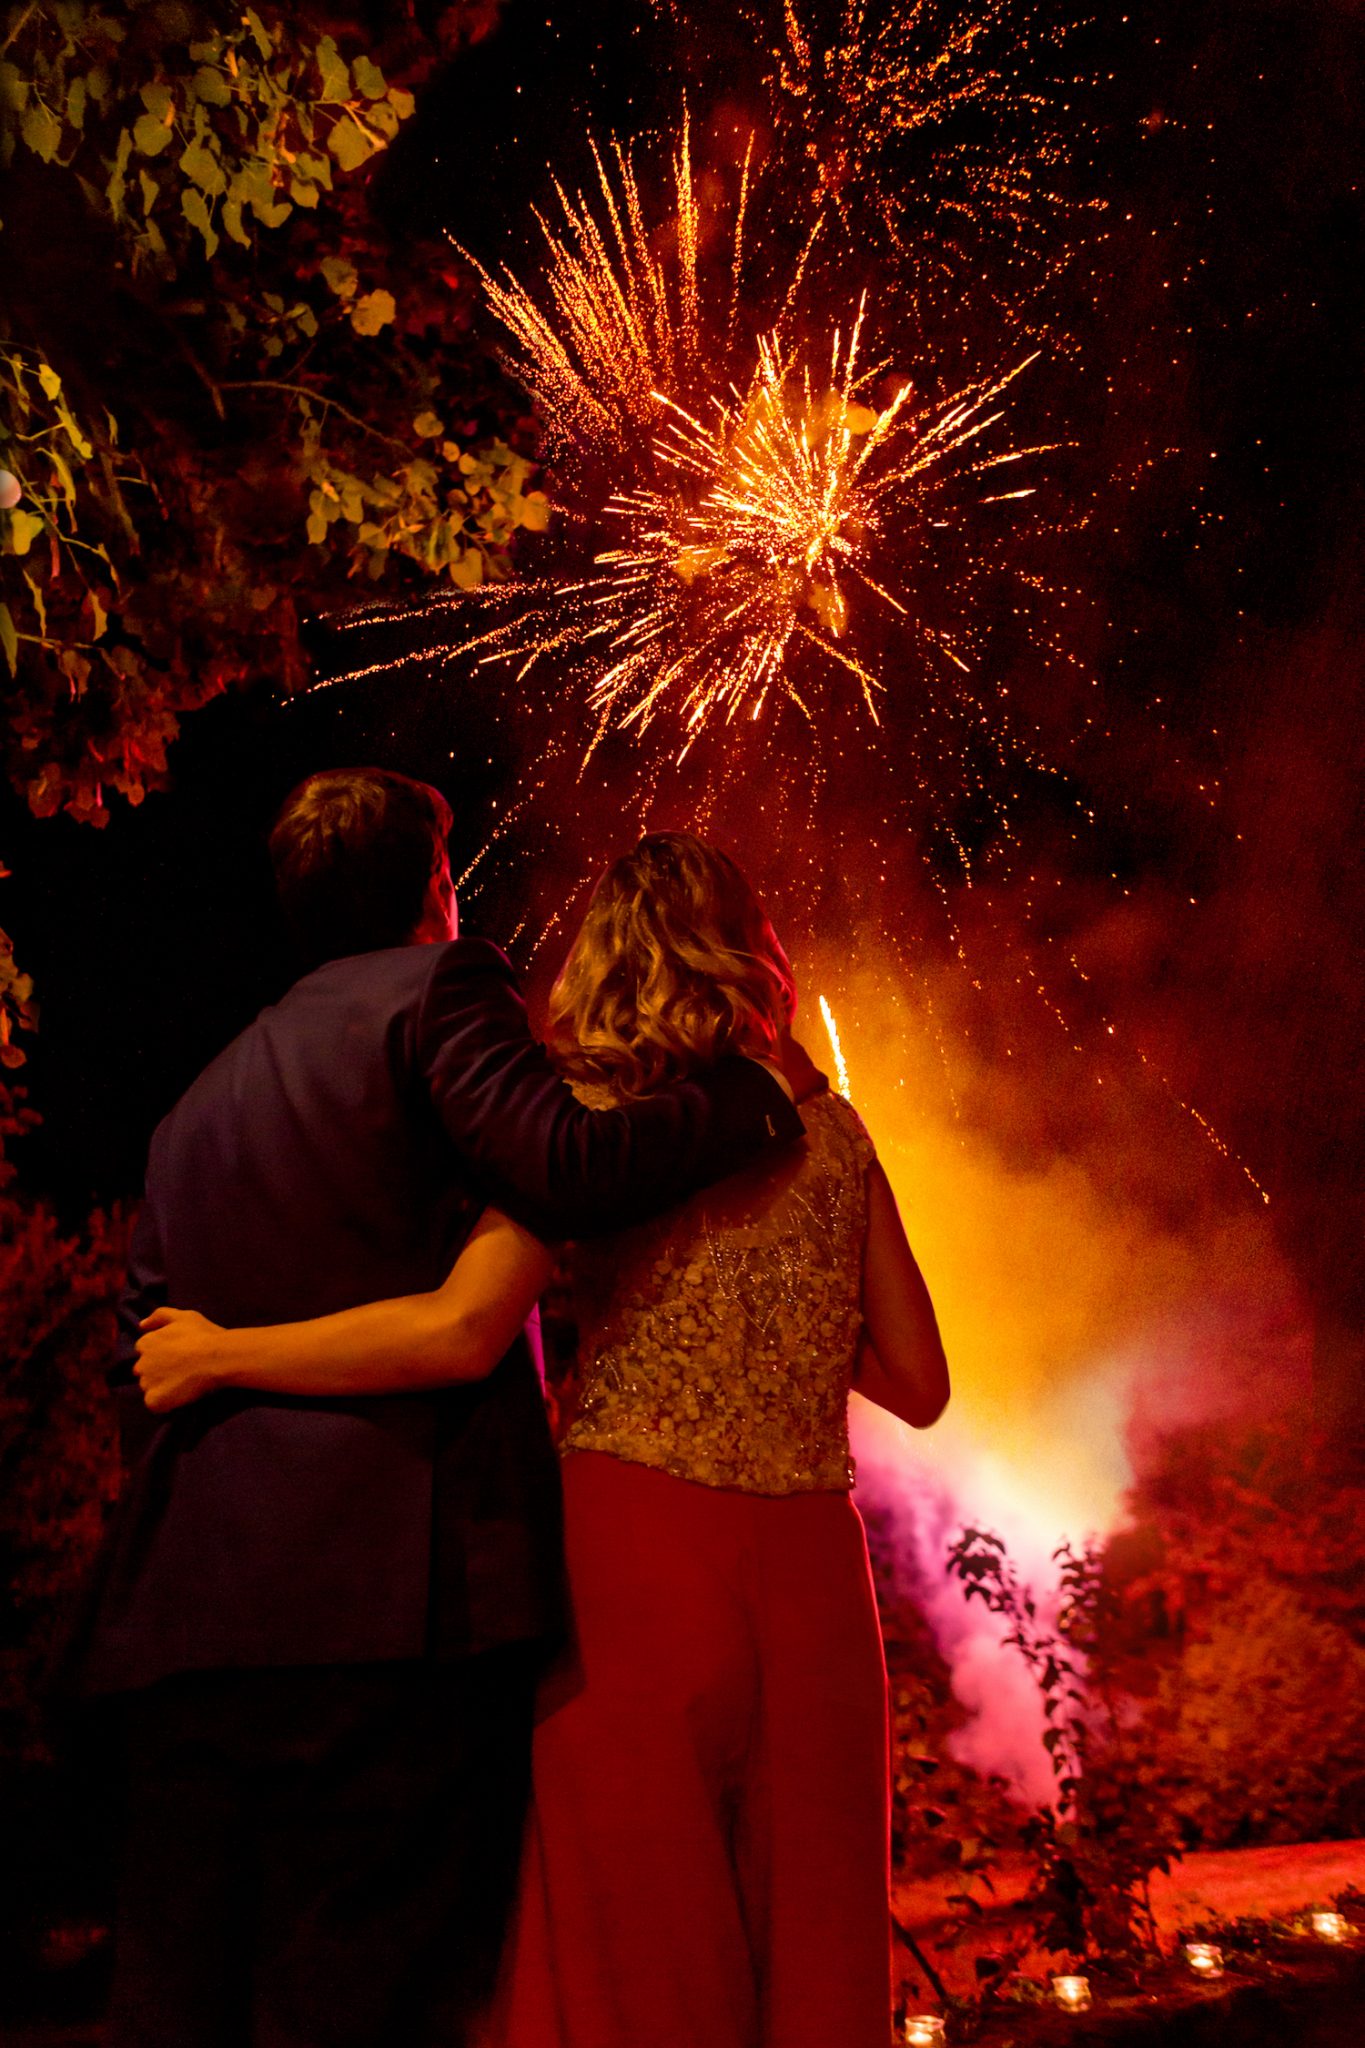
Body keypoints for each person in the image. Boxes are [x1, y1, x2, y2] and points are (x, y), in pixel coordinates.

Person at [137, 831, 950, 2048]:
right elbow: (921, 1382)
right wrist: (773, 1321)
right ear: (753, 950)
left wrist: (220, 1349)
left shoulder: (579, 1126)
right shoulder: (828, 1133)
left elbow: (458, 1328)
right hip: (814, 1575)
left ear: (605, 956)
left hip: (631, 1557)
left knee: (641, 1949)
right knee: (823, 1941)